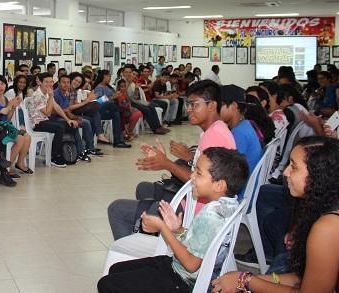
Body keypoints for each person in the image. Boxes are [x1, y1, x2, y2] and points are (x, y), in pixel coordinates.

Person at [99, 147, 249, 293]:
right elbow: (202, 246)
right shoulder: (229, 205)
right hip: (184, 271)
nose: (192, 176)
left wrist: (162, 228)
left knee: (107, 284)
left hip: (182, 281)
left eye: (199, 173)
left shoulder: (211, 215)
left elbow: (191, 265)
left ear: (219, 185)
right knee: (116, 270)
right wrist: (178, 230)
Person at [107, 80, 236, 240]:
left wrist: (167, 163)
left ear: (211, 106)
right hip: (193, 202)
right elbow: (199, 174)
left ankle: (137, 257)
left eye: (194, 105)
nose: (188, 109)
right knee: (145, 190)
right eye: (188, 104)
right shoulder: (213, 131)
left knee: (116, 209)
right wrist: (165, 161)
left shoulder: (214, 136)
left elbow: (201, 182)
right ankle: (151, 241)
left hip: (195, 212)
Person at [211, 136, 339, 293]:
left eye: (294, 166)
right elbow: (305, 278)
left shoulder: (327, 228)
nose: (285, 172)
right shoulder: (322, 208)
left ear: (319, 174)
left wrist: (245, 281)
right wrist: (245, 278)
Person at [25, 72, 79, 168]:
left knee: (71, 125)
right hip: (37, 123)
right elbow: (48, 113)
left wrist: (67, 119)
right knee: (59, 127)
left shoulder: (46, 93)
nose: (49, 84)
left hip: (45, 121)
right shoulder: (37, 95)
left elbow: (57, 107)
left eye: (51, 82)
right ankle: (55, 156)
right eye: (46, 82)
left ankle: (70, 152)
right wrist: (51, 97)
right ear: (40, 82)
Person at [0, 75, 33, 178]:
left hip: (6, 126)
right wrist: (10, 106)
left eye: (2, 84)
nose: (0, 87)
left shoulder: (5, 99)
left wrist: (13, 107)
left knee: (27, 136)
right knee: (20, 139)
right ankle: (7, 168)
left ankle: (20, 163)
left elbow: (7, 119)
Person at [122, 65, 169, 135]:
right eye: (126, 72)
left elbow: (135, 96)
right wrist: (128, 85)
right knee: (146, 109)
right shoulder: (121, 82)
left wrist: (136, 89)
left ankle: (158, 126)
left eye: (130, 72)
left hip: (135, 101)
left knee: (151, 106)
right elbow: (124, 96)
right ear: (123, 73)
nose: (129, 74)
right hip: (128, 103)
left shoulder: (133, 83)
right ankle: (155, 129)